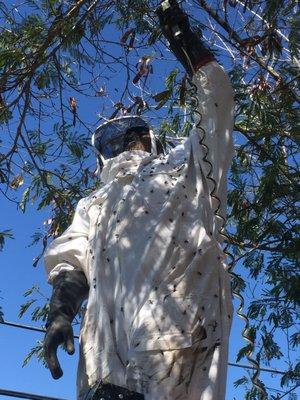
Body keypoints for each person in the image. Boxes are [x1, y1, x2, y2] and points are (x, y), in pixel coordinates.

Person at [43, 1, 235, 399]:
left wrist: (192, 51)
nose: (129, 143)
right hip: (106, 360)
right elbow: (72, 257)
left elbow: (217, 108)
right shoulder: (95, 203)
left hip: (177, 336)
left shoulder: (190, 164)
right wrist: (60, 311)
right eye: (120, 139)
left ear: (152, 140)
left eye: (136, 136)